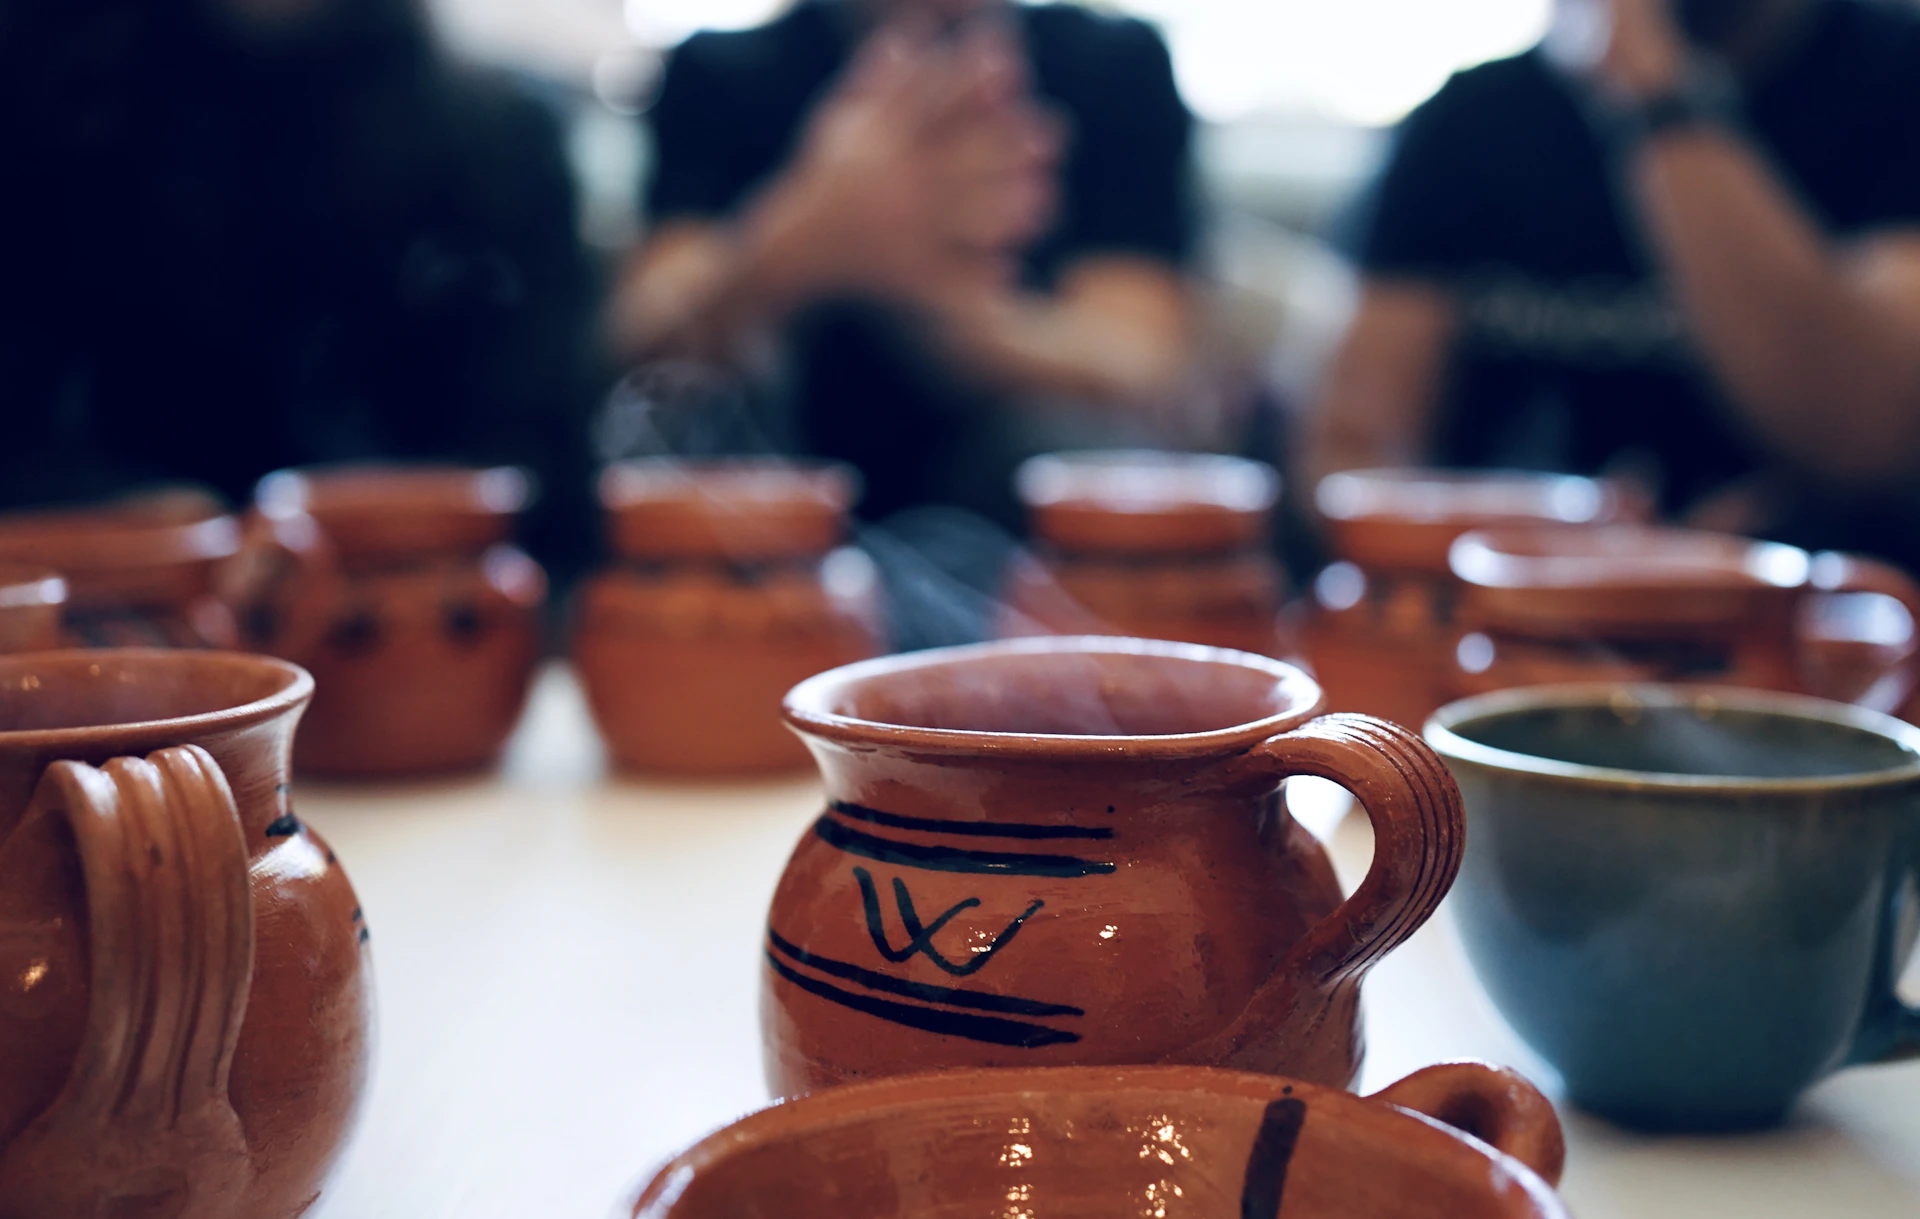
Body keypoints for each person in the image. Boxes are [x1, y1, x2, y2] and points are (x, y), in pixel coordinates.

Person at [0, 0, 600, 580]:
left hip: (404, 617)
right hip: (125, 617)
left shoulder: (497, 146)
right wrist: (128, 517)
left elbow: (543, 456)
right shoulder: (48, 111)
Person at [1308, 0, 1920, 566]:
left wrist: (1657, 92)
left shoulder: (1895, 78)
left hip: (1809, 628)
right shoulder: (1471, 117)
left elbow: (1867, 439)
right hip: (1507, 632)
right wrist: (1542, 560)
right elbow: (1348, 455)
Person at [611, 0, 1200, 528]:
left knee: (1068, 453)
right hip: (784, 489)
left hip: (1001, 504)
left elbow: (1144, 367)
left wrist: (928, 294)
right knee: (691, 434)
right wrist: (804, 232)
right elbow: (640, 343)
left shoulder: (1113, 65)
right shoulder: (723, 70)